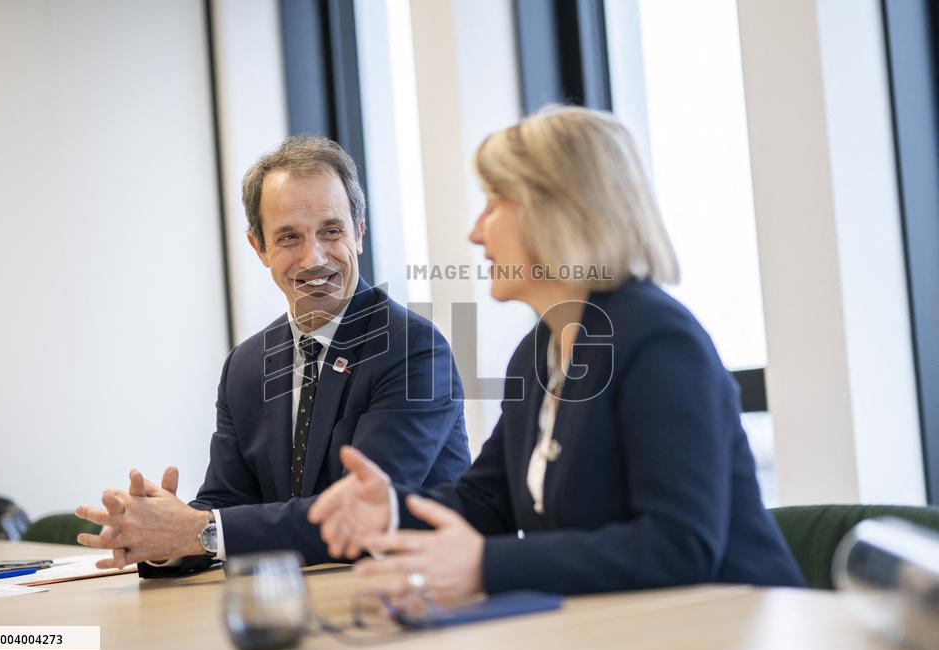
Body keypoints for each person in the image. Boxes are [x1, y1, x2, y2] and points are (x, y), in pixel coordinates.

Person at [308, 107, 805, 601]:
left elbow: (677, 546)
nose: (476, 232)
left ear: (558, 208)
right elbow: (488, 499)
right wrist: (391, 510)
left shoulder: (660, 342)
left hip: (743, 627)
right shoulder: (538, 352)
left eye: (494, 202)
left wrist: (489, 565)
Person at [75, 136, 470, 574]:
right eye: (288, 238)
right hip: (299, 606)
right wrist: (161, 536)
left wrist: (199, 531)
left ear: (359, 232)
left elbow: (356, 515)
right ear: (258, 248)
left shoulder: (414, 349)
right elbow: (227, 503)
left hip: (415, 599)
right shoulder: (245, 366)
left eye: (331, 231)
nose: (313, 257)